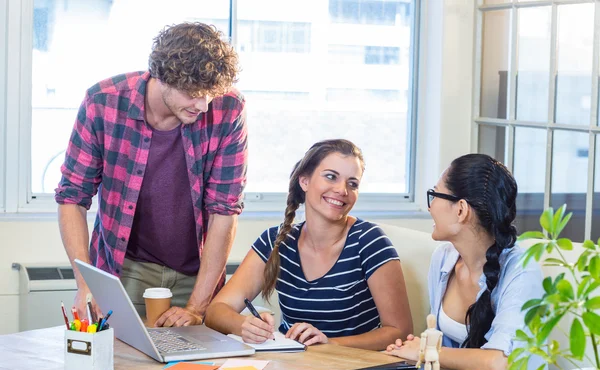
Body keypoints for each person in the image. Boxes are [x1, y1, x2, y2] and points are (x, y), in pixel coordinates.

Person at [55, 22, 247, 328]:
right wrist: (86, 285)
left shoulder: (228, 108)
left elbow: (224, 211)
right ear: (162, 77)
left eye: (210, 93)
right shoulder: (102, 103)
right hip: (125, 271)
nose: (204, 104)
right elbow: (71, 199)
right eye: (193, 93)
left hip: (198, 275)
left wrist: (198, 307)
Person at [204, 139, 413, 350]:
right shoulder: (275, 241)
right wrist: (244, 325)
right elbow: (216, 311)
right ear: (304, 181)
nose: (342, 190)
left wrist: (329, 343)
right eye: (331, 177)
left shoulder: (370, 241)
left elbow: (400, 331)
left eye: (353, 184)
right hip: (294, 368)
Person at [385, 154, 544, 370]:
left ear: (461, 209)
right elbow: (448, 353)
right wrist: (411, 350)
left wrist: (427, 351)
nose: (430, 207)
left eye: (435, 195)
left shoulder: (522, 271)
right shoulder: (443, 259)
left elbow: (500, 365)